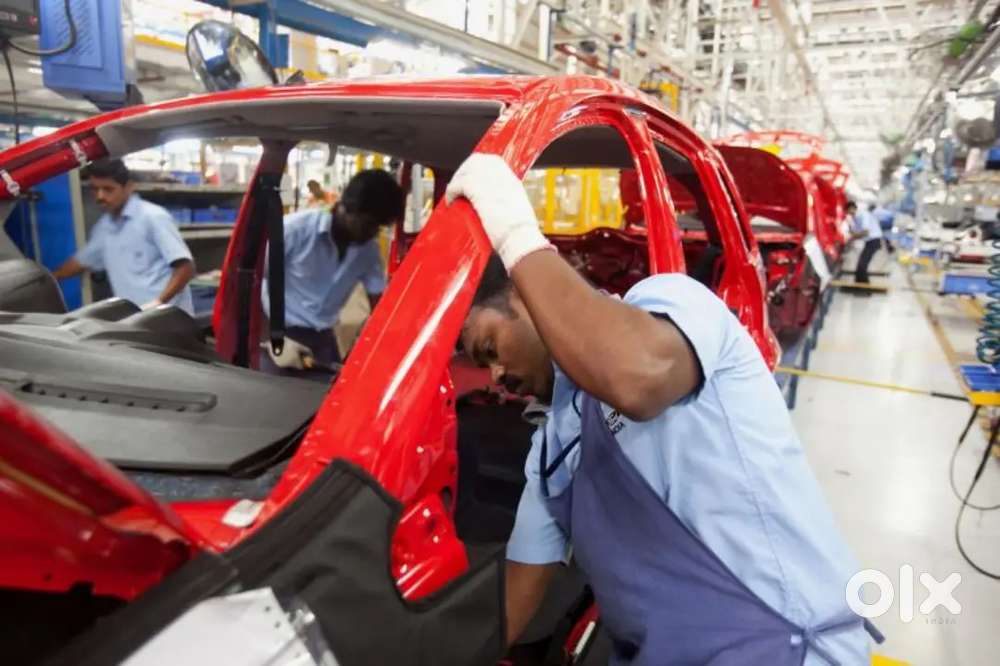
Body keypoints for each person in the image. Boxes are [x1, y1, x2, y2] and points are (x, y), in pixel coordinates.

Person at [450, 154, 878, 666]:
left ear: (526, 296)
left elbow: (638, 379)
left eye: (490, 347)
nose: (495, 376)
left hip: (781, 650)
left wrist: (517, 237)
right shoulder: (551, 452)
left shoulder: (674, 303)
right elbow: (518, 590)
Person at [262, 169, 404, 376]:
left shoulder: (368, 251)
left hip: (323, 340)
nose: (373, 233)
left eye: (378, 227)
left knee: (333, 391)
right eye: (369, 224)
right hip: (279, 334)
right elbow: (254, 283)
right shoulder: (293, 231)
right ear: (346, 208)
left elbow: (379, 305)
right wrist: (269, 339)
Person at [53, 159, 195, 314]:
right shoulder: (104, 227)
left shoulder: (153, 217)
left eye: (108, 189)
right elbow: (81, 262)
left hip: (166, 318)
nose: (100, 196)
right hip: (133, 318)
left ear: (128, 187)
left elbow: (185, 267)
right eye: (95, 189)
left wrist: (158, 303)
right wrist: (50, 279)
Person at [847, 200, 883, 285]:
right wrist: (852, 234)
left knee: (862, 263)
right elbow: (856, 232)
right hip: (870, 242)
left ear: (853, 208)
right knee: (861, 263)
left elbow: (865, 232)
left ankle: (864, 284)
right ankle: (859, 282)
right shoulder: (855, 218)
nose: (849, 213)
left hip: (874, 241)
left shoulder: (863, 215)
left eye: (849, 210)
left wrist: (853, 237)